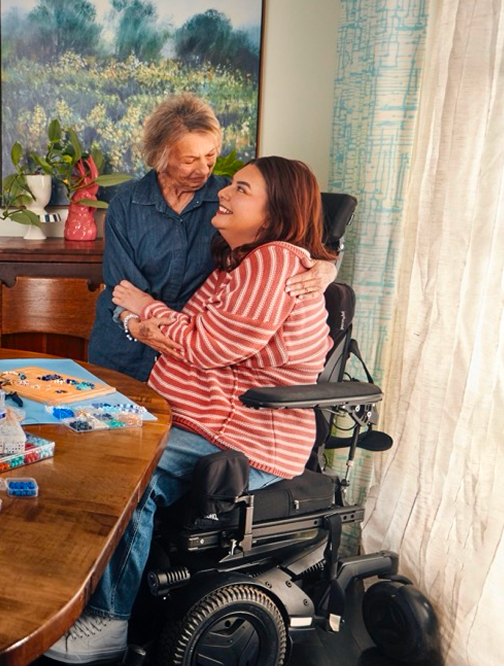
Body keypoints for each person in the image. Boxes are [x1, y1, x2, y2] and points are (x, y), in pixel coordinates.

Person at [46, 157, 337, 663]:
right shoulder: (241, 262)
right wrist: (152, 322)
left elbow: (202, 346)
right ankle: (76, 597)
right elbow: (190, 330)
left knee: (127, 475)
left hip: (243, 434)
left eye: (241, 189)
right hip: (197, 420)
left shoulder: (273, 262)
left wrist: (144, 311)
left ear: (273, 215)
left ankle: (108, 624)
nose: (224, 191)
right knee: (87, 443)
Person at [87, 94, 336, 383]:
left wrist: (326, 268)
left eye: (210, 156)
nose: (203, 170)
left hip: (192, 355)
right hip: (126, 349)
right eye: (189, 160)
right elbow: (123, 291)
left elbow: (283, 241)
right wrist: (133, 322)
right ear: (161, 157)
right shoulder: (126, 206)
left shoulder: (230, 203)